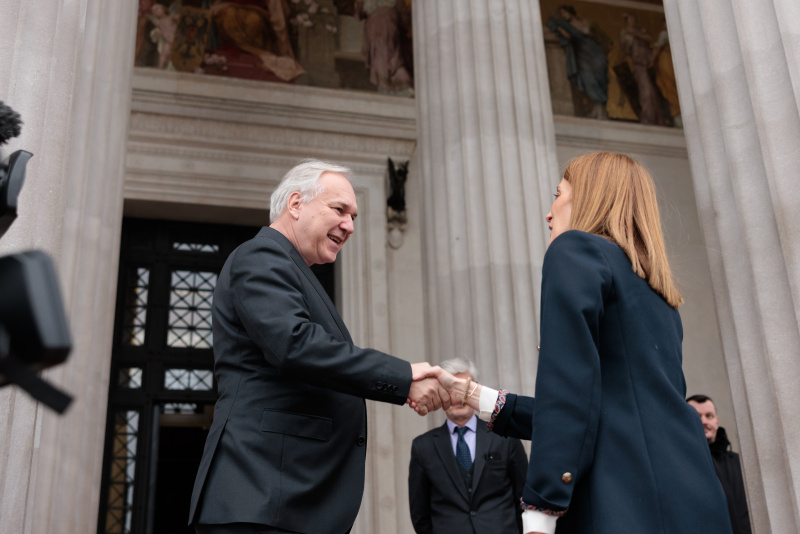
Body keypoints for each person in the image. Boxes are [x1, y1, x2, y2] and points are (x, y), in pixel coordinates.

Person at [417, 152, 733, 534]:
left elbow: (568, 392)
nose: (549, 213)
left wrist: (541, 509)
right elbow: (597, 410)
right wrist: (468, 393)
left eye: (557, 194)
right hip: (693, 500)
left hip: (620, 503)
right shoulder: (657, 290)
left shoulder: (574, 252)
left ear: (588, 198)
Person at [188, 159, 448, 534]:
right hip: (262, 498)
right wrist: (404, 376)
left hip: (287, 500)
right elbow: (295, 345)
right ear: (296, 204)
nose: (350, 225)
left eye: (354, 216)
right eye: (339, 209)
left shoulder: (293, 268)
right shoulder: (261, 256)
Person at [408, 358, 528, 534]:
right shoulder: (422, 447)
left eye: (464, 388)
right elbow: (420, 513)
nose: (458, 397)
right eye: (450, 390)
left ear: (475, 389)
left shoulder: (504, 436)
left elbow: (523, 496)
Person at [688, 394, 752, 534]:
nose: (703, 421)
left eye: (709, 416)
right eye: (697, 416)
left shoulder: (740, 464)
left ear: (717, 421)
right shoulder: (681, 466)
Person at [546, 5, 610, 119]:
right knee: (587, 76)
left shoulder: (588, 22)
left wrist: (594, 34)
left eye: (565, 13)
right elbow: (551, 24)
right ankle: (594, 108)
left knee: (600, 77)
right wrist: (561, 30)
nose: (564, 16)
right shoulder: (565, 25)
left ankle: (600, 108)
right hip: (581, 53)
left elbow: (605, 39)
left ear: (571, 12)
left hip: (595, 52)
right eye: (562, 14)